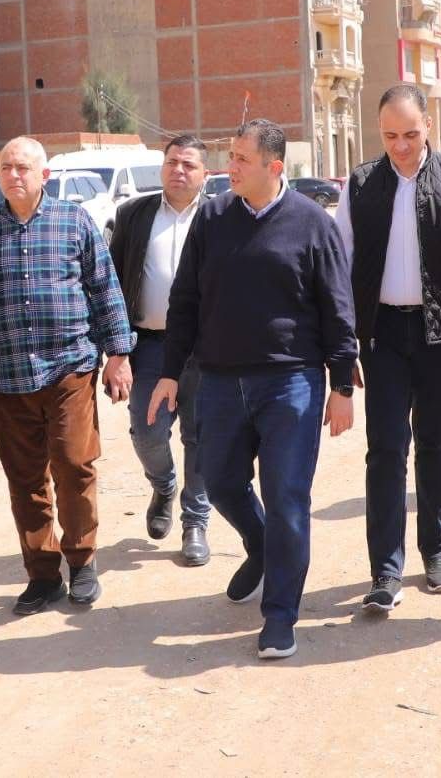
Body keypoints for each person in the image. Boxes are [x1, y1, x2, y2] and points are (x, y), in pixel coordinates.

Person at [147, 119, 357, 660]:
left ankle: (280, 615)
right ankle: (262, 547)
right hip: (219, 380)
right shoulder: (213, 217)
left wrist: (342, 384)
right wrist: (170, 371)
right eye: (231, 156)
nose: (230, 167)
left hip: (292, 383)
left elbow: (337, 308)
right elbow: (185, 300)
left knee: (287, 497)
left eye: (241, 159)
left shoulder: (312, 223)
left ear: (274, 166)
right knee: (219, 483)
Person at [0, 137, 134, 615]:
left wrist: (119, 353)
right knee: (25, 479)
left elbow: (104, 288)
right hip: (8, 375)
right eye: (5, 167)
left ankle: (82, 562)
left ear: (44, 176)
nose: (12, 175)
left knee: (74, 465)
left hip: (69, 369)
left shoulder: (73, 221)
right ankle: (42, 575)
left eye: (22, 167)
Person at [335, 86, 441, 613]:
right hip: (382, 336)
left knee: (436, 444)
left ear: (429, 125)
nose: (400, 146)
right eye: (390, 135)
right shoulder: (360, 185)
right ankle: (385, 571)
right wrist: (344, 345)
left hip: (440, 335)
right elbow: (340, 267)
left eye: (410, 134)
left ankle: (437, 552)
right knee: (386, 450)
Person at [108, 135, 212, 566]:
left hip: (206, 351)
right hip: (149, 345)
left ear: (205, 174)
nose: (178, 171)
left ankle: (195, 522)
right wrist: (115, 351)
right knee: (147, 430)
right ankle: (164, 485)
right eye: (172, 162)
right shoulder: (133, 214)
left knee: (200, 437)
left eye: (189, 164)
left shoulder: (220, 216)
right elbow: (112, 284)